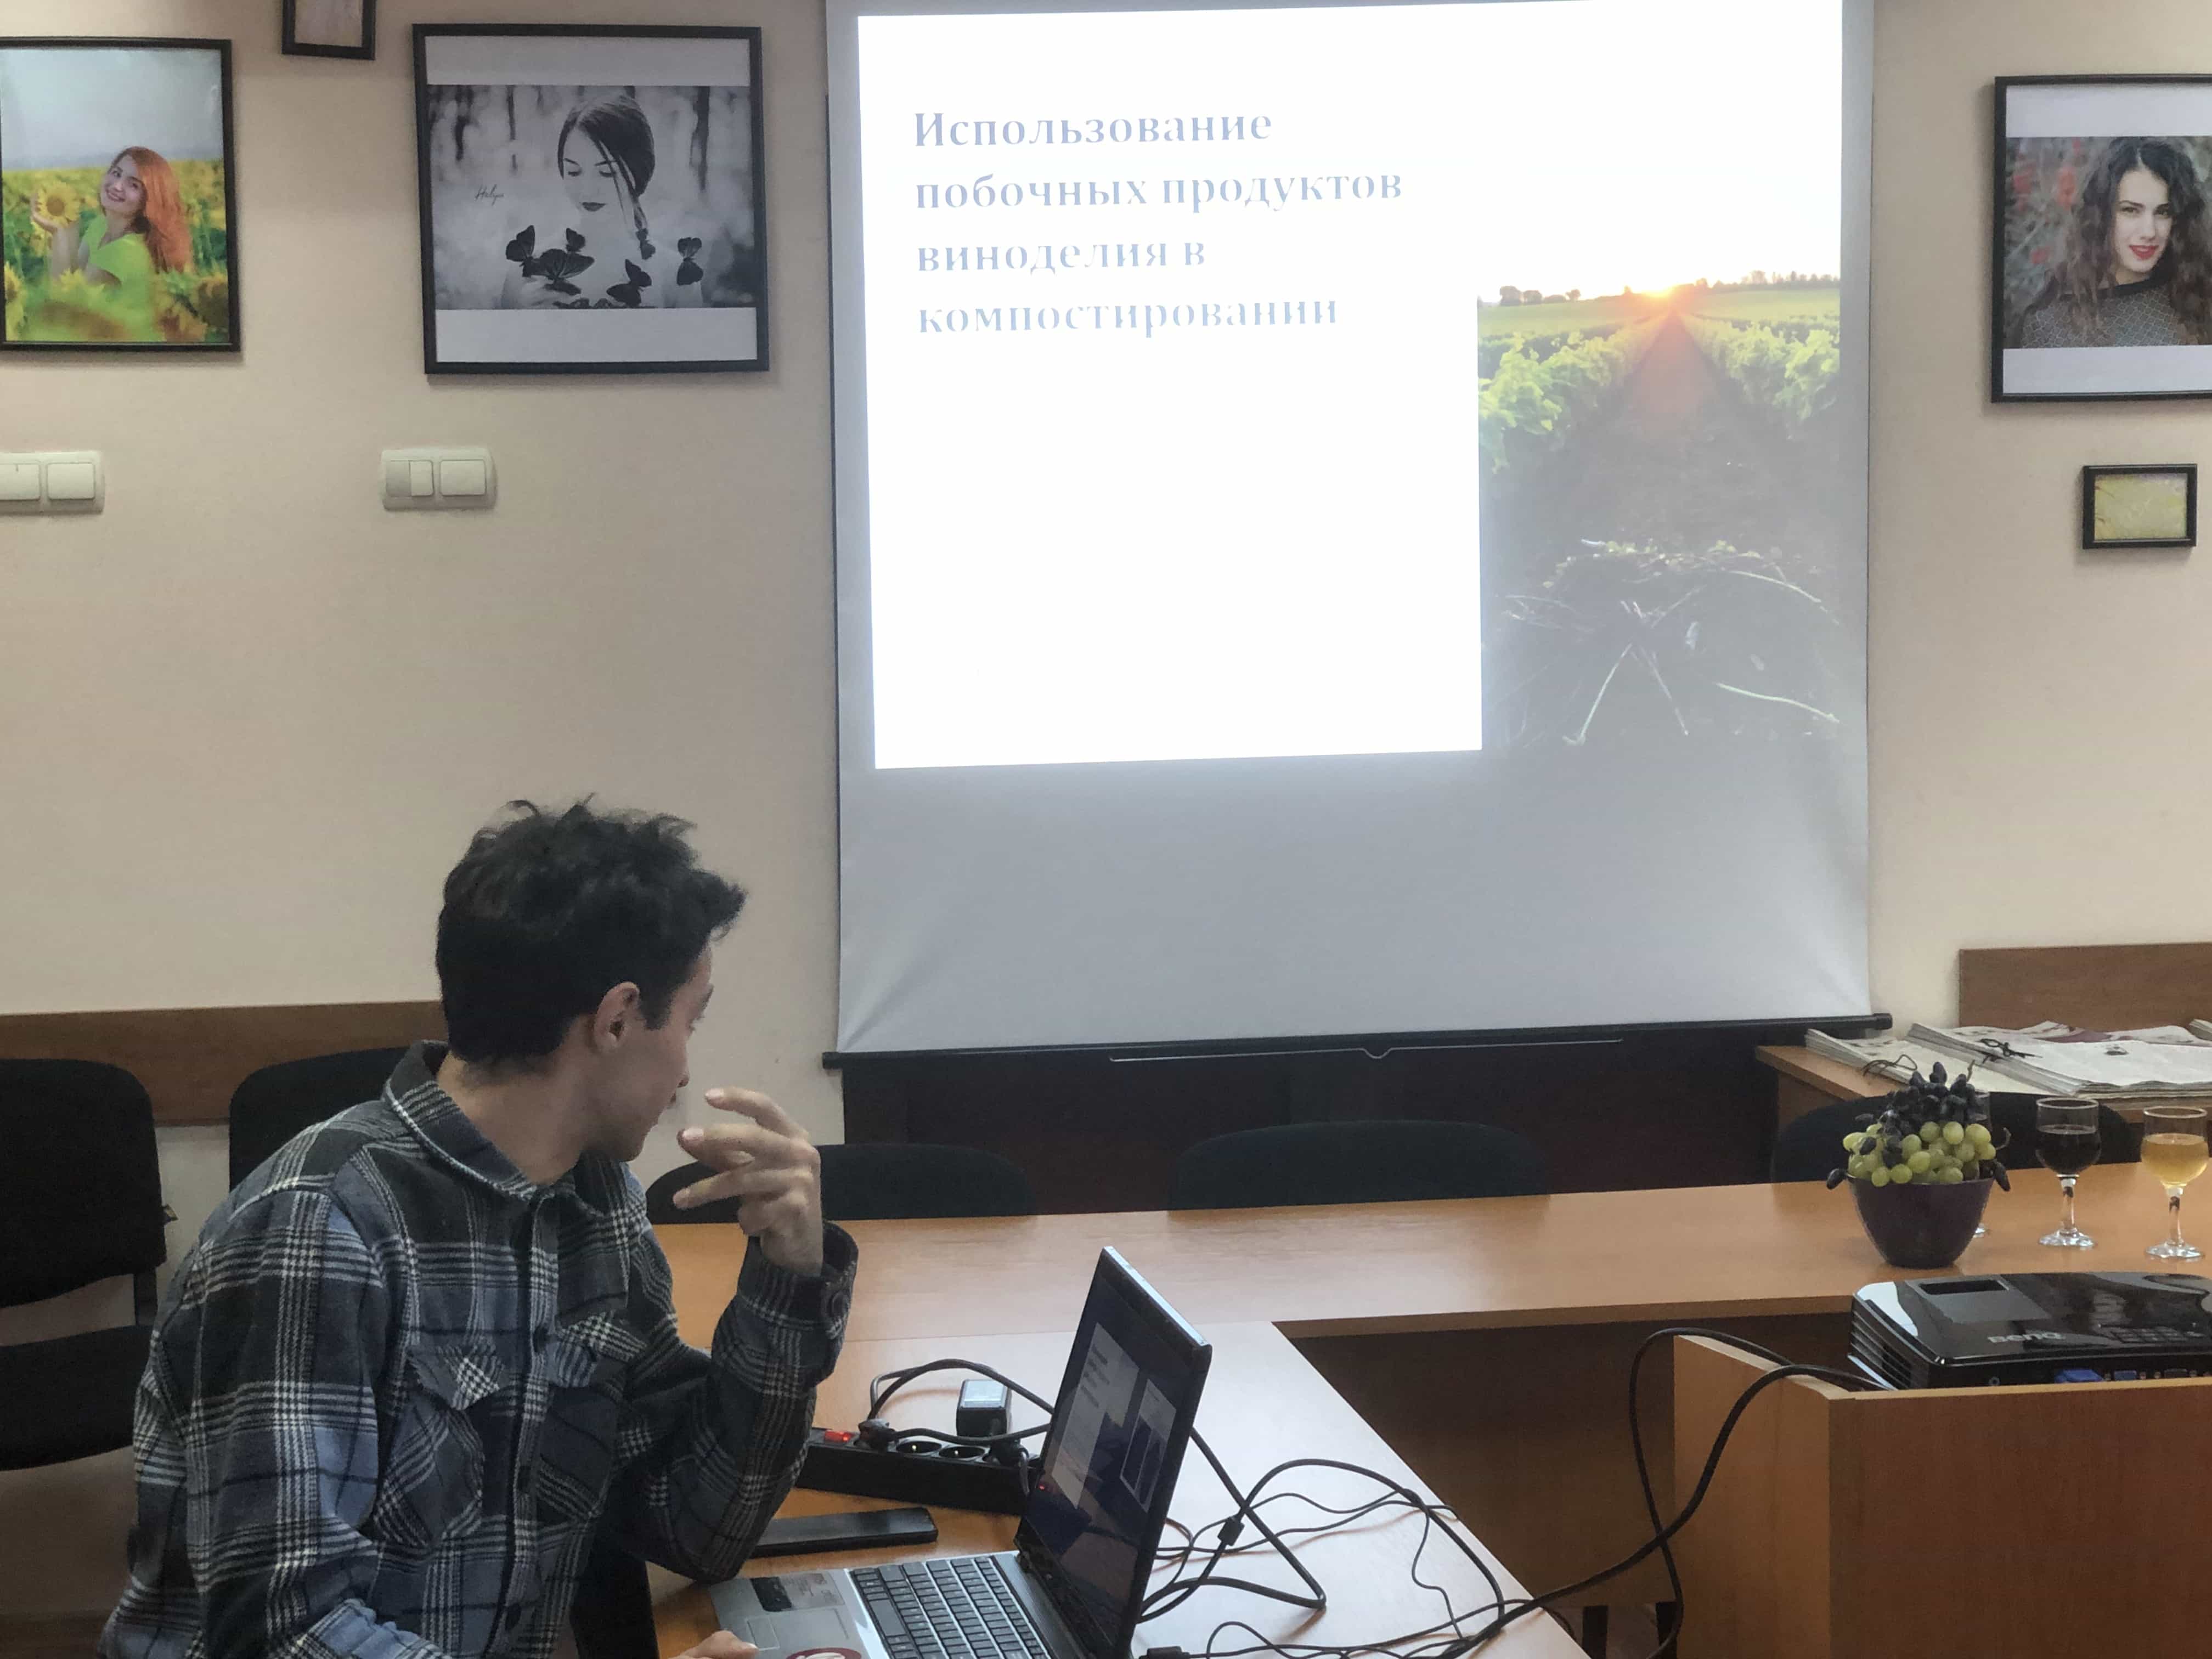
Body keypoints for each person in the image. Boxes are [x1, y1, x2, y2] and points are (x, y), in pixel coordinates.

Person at [99, 801, 855, 1659]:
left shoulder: (596, 1205)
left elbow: (698, 1527)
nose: (686, 1067)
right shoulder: (318, 1228)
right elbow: (285, 1631)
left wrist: (789, 1279)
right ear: (616, 1019)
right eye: (691, 1021)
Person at [499, 94, 712, 311]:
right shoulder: (525, 276)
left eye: (606, 173)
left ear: (639, 170)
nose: (587, 190)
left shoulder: (675, 276)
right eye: (574, 172)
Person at [2021, 137, 2212, 347]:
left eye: (2163, 212)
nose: (2149, 232)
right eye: (2130, 210)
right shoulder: (2048, 325)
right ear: (2101, 215)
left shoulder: (2200, 303)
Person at [27, 146, 190, 342]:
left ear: (149, 200)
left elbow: (67, 310)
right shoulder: (101, 225)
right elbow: (73, 276)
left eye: (134, 185)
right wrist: (66, 227)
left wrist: (59, 234)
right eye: (116, 173)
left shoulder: (124, 252)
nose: (117, 186)